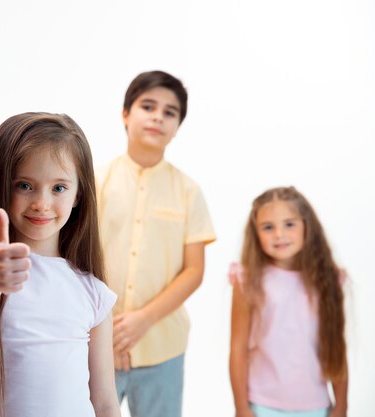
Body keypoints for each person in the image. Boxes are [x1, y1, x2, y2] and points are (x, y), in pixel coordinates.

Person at [0, 112, 120, 417]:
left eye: (59, 188)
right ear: (1, 186)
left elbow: (104, 402)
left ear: (79, 194)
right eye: (25, 185)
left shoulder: (94, 293)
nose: (41, 203)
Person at [97, 70, 216, 417]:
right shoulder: (94, 180)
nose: (157, 117)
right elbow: (75, 258)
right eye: (147, 106)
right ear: (125, 113)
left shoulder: (189, 191)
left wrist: (142, 321)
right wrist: (107, 328)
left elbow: (194, 271)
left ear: (178, 126)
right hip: (95, 343)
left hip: (163, 346)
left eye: (170, 112)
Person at [229, 186, 348, 417]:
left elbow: (336, 347)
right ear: (256, 233)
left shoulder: (328, 281)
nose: (279, 235)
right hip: (262, 404)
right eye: (268, 227)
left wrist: (342, 405)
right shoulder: (247, 280)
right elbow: (237, 348)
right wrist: (241, 407)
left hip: (315, 405)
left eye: (289, 224)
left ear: (307, 226)